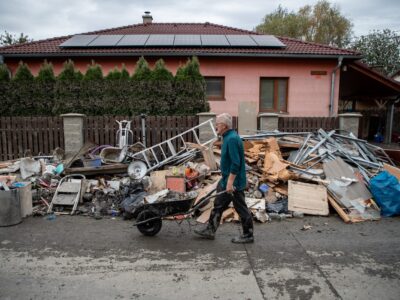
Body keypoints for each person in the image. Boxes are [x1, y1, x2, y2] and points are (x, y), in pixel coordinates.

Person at [194, 113, 254, 243]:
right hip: (227, 179)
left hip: (234, 182)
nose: (216, 126)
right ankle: (210, 230)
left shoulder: (232, 139)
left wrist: (230, 183)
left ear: (224, 125)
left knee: (240, 207)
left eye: (218, 124)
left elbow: (236, 163)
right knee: (218, 204)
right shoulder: (227, 137)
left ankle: (248, 235)